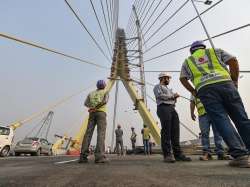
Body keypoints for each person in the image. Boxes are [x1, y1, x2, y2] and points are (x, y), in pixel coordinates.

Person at [180, 41, 250, 167]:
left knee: (222, 120)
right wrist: (234, 81)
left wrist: (194, 92)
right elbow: (233, 61)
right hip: (226, 84)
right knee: (241, 118)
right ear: (203, 47)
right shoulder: (215, 51)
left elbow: (182, 78)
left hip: (205, 90)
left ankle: (241, 156)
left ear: (192, 51)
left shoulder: (188, 61)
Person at [154, 72, 191, 163]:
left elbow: (171, 100)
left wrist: (175, 98)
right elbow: (160, 96)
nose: (168, 80)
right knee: (166, 131)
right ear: (162, 78)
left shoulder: (169, 89)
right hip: (163, 108)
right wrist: (173, 96)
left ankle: (178, 154)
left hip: (172, 109)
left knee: (175, 131)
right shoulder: (157, 87)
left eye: (169, 78)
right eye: (167, 78)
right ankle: (167, 155)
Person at [190, 96, 230, 160]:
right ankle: (207, 153)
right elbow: (192, 101)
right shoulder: (194, 90)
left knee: (218, 133)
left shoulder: (210, 86)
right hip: (203, 114)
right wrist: (192, 113)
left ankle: (220, 153)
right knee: (204, 133)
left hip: (215, 112)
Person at [79, 80, 109, 164]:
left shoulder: (90, 93)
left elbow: (85, 103)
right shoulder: (105, 92)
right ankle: (99, 157)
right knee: (101, 134)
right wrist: (96, 107)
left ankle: (83, 157)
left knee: (88, 134)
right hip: (101, 113)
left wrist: (92, 107)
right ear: (104, 85)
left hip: (92, 114)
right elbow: (105, 101)